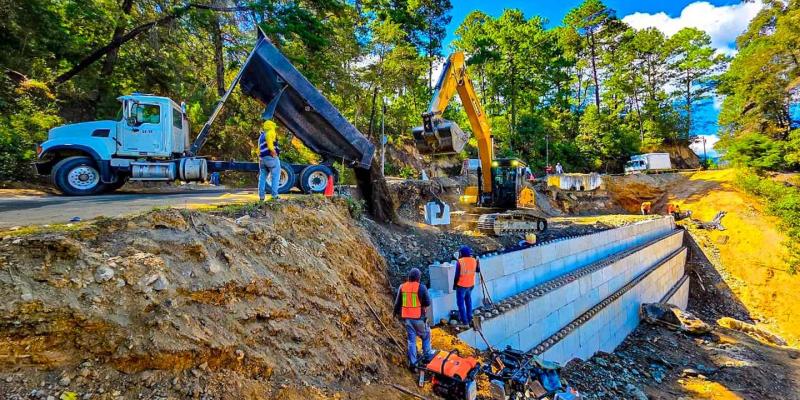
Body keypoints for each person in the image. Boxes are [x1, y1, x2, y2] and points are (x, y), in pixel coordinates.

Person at [393, 268, 432, 369]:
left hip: (408, 320)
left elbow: (397, 303)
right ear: (418, 278)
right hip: (419, 319)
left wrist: (394, 314)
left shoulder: (402, 287)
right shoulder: (422, 288)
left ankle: (413, 364)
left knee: (411, 341)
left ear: (409, 277)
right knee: (426, 336)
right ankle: (427, 359)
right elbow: (427, 302)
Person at [453, 245, 480, 326]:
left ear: (461, 253)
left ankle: (465, 323)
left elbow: (457, 275)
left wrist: (454, 285)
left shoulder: (460, 261)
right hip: (470, 285)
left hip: (461, 286)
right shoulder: (474, 260)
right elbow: (478, 270)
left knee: (461, 304)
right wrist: (478, 263)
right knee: (468, 302)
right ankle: (470, 318)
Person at [258, 120, 281, 202]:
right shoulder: (270, 133)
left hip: (262, 159)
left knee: (262, 178)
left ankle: (261, 197)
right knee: (275, 176)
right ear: (271, 127)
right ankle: (274, 196)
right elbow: (270, 145)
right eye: (273, 127)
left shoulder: (261, 136)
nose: (274, 128)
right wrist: (274, 152)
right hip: (271, 158)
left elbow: (259, 149)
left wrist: (260, 157)